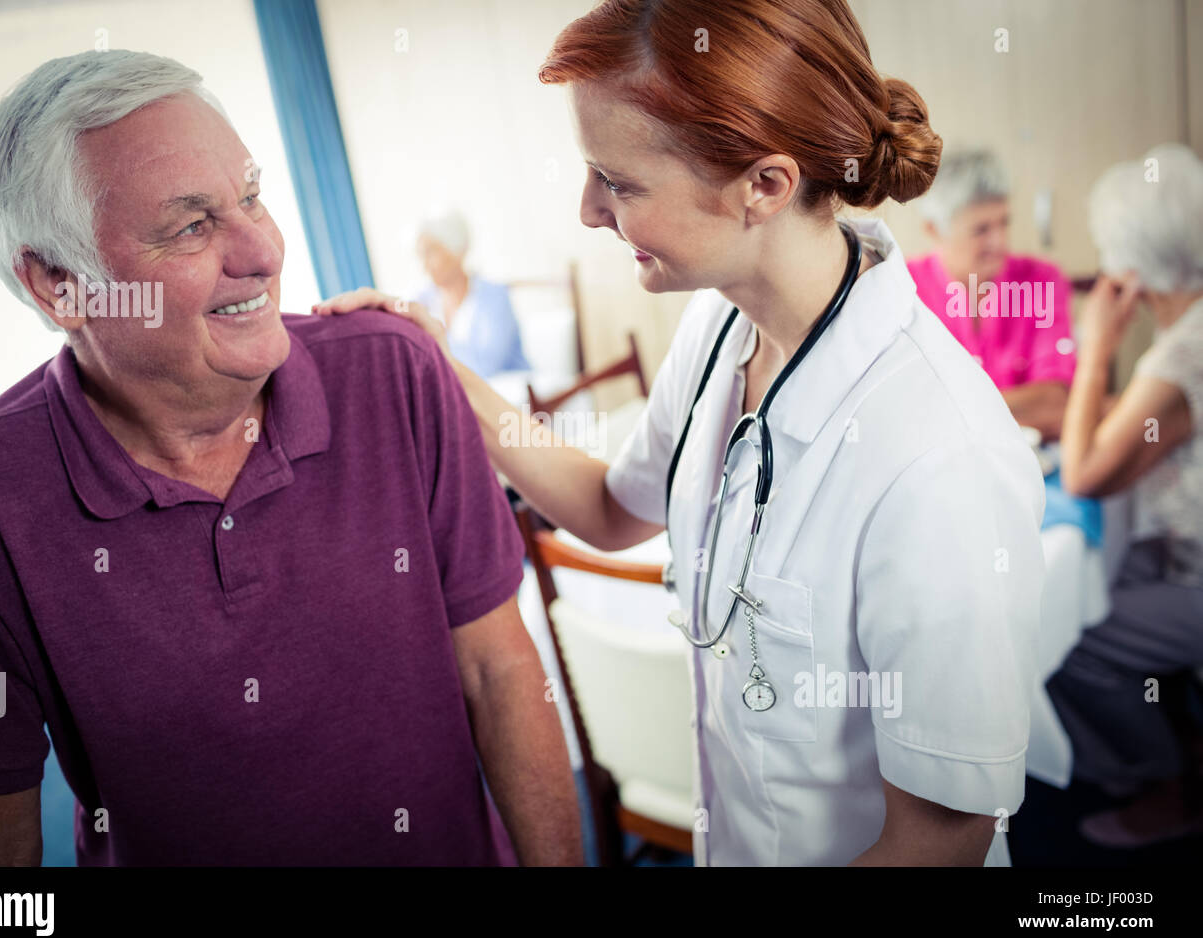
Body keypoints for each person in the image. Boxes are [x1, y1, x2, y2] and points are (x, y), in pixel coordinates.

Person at [317, 0, 1044, 866]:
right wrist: (445, 375)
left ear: (764, 187)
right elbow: (613, 510)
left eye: (617, 182)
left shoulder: (939, 455)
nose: (588, 210)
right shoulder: (716, 331)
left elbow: (940, 843)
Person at [0, 50, 581, 866]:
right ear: (59, 285)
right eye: (191, 226)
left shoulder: (394, 370)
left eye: (251, 197)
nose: (261, 250)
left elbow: (502, 674)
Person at [1045, 143, 1203, 847]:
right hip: (1182, 546)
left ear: (1132, 265)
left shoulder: (1182, 354)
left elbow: (1084, 473)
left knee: (1071, 634)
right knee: (1095, 575)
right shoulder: (1186, 333)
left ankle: (1165, 785)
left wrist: (1095, 346)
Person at [907, 149, 1076, 441]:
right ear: (934, 230)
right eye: (981, 230)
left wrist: (947, 413)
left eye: (1004, 223)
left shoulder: (1041, 280)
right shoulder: (903, 287)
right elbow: (903, 412)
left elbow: (1053, 404)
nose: (999, 242)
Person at [412, 209, 531, 377]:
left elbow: (487, 366)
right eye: (421, 255)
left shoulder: (494, 297)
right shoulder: (423, 301)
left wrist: (437, 343)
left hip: (513, 396)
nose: (425, 266)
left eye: (431, 252)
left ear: (457, 250)